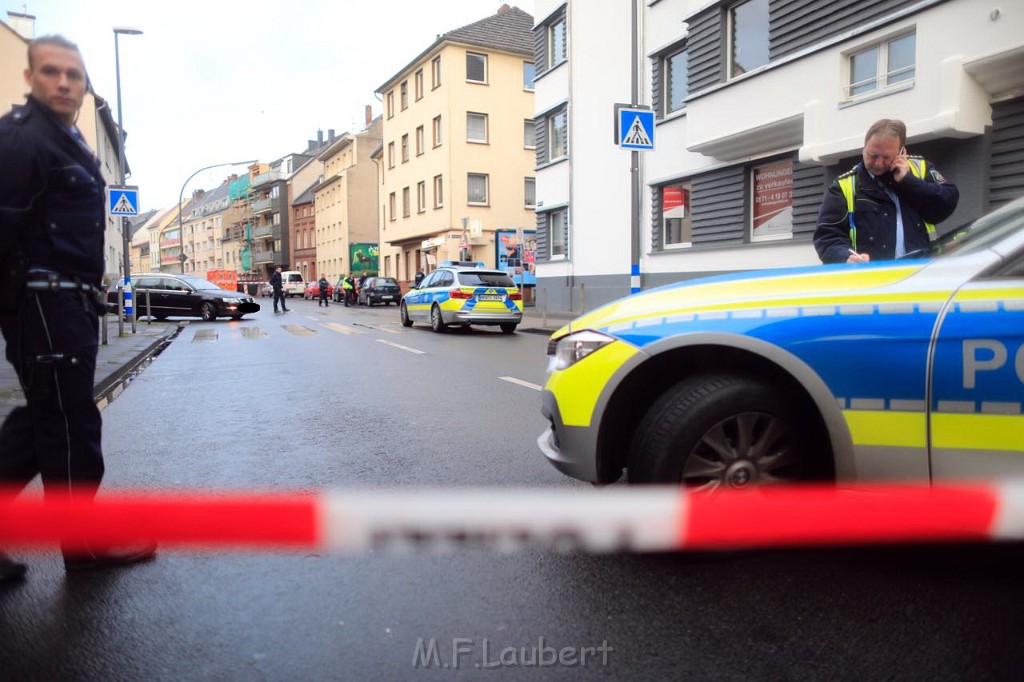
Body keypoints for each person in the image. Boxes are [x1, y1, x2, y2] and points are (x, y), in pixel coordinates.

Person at [0, 35, 156, 581]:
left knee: (41, 422)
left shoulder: (66, 142)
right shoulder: (20, 143)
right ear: (31, 79)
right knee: (70, 424)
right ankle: (82, 544)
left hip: (66, 302)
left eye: (74, 75)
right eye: (51, 72)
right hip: (43, 302)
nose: (64, 82)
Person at [814, 118, 959, 264]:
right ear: (863, 149)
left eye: (887, 157)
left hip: (917, 273)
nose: (878, 163)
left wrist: (909, 181)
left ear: (902, 153)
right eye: (873, 155)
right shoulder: (843, 186)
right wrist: (845, 257)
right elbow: (827, 237)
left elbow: (946, 203)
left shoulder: (919, 169)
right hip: (872, 279)